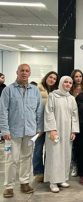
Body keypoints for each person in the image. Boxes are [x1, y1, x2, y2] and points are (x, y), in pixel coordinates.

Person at [0, 64, 42, 198]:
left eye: (27, 71)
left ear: (30, 73)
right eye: (22, 71)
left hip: (30, 132)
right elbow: (3, 111)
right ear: (16, 72)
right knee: (11, 159)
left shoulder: (35, 90)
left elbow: (39, 111)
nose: (24, 73)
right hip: (12, 132)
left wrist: (39, 129)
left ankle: (24, 183)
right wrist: (4, 130)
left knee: (26, 158)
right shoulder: (8, 90)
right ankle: (9, 186)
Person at [44, 76, 80, 193]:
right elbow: (49, 113)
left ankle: (63, 179)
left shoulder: (71, 98)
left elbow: (74, 116)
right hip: (55, 131)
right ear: (61, 83)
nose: (68, 84)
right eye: (66, 82)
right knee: (55, 155)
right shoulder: (53, 96)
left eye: (70, 83)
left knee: (66, 154)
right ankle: (53, 181)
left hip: (67, 131)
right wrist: (52, 129)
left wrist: (73, 130)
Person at [33, 71, 59, 183]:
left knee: (50, 150)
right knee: (38, 149)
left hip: (51, 126)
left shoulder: (55, 92)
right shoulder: (37, 89)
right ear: (46, 77)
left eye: (54, 79)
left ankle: (48, 171)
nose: (52, 80)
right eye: (50, 77)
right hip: (39, 125)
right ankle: (38, 172)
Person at [70, 69, 83, 177]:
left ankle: (82, 166)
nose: (78, 78)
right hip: (71, 120)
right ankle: (74, 165)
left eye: (80, 76)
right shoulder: (69, 89)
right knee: (73, 145)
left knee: (82, 145)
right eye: (76, 76)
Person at [0, 73, 6, 144]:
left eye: (4, 78)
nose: (4, 79)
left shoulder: (4, 87)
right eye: (2, 77)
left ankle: (2, 137)